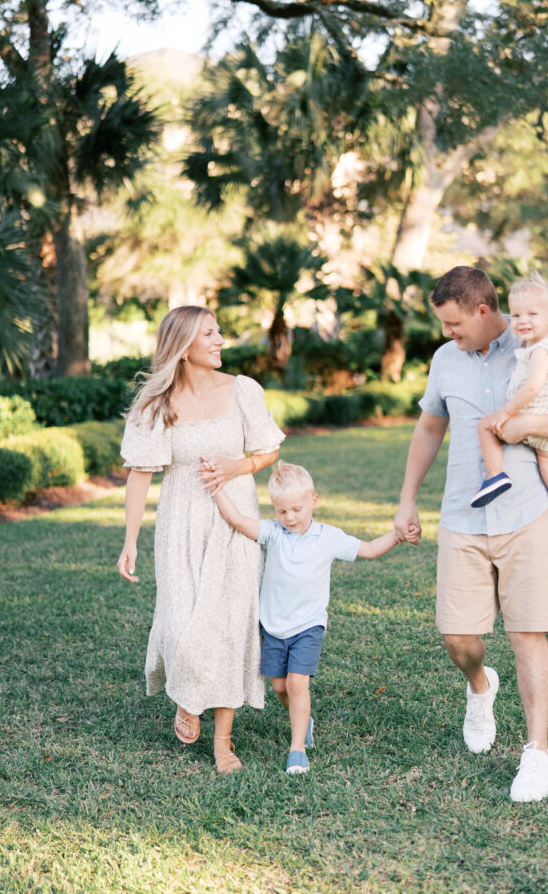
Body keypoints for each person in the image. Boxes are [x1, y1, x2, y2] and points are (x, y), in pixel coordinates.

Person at [394, 266, 548, 803]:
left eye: (453, 323)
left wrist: (526, 427)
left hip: (527, 513)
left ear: (486, 312)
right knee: (457, 637)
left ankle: (537, 751)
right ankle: (479, 685)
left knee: (527, 633)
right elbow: (428, 428)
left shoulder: (538, 343)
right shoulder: (444, 361)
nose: (447, 333)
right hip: (462, 518)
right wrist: (406, 498)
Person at [117, 305, 285, 775]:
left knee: (230, 626)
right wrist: (130, 540)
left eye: (219, 332)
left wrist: (237, 466)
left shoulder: (243, 390)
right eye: (209, 334)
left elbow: (269, 449)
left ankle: (223, 740)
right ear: (183, 346)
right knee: (181, 624)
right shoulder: (159, 403)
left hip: (235, 520)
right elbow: (139, 475)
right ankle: (189, 692)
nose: (220, 341)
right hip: (180, 521)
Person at [211, 460, 402, 775]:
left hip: (308, 626)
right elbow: (237, 520)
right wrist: (217, 488)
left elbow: (367, 549)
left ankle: (297, 749)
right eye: (282, 511)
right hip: (274, 627)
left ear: (314, 501)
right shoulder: (274, 533)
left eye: (297, 509)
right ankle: (305, 720)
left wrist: (396, 537)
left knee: (297, 683)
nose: (290, 518)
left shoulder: (328, 537)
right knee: (280, 688)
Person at [471, 272, 548, 560]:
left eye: (532, 314)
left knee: (486, 426)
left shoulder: (538, 352)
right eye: (517, 314)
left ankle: (496, 476)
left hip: (533, 420)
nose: (522, 321)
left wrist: (506, 412)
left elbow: (533, 387)